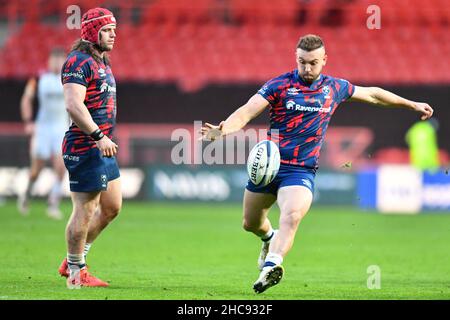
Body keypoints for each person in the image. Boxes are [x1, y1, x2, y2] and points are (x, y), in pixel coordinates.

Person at [201, 34, 434, 294]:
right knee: (250, 223)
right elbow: (247, 110)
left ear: (324, 60)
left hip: (300, 171)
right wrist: (224, 129)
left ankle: (272, 266)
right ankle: (268, 238)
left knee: (292, 215)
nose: (307, 69)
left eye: (312, 63)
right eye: (302, 62)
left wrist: (411, 104)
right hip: (270, 166)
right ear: (296, 59)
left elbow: (374, 95)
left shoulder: (334, 88)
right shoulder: (279, 85)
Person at [58, 7, 121, 289]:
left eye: (114, 30)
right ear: (91, 31)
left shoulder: (102, 62)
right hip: (86, 145)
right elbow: (73, 104)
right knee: (85, 209)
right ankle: (75, 273)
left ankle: (74, 257)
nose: (113, 35)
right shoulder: (77, 61)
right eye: (107, 30)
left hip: (102, 147)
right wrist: (98, 136)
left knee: (111, 207)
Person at [18, 48, 69, 220]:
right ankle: (26, 194)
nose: (57, 63)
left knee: (61, 168)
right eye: (54, 59)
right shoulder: (39, 79)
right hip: (43, 129)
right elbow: (26, 99)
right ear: (49, 61)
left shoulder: (69, 80)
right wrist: (28, 122)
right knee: (36, 171)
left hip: (61, 128)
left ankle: (53, 204)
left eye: (60, 59)